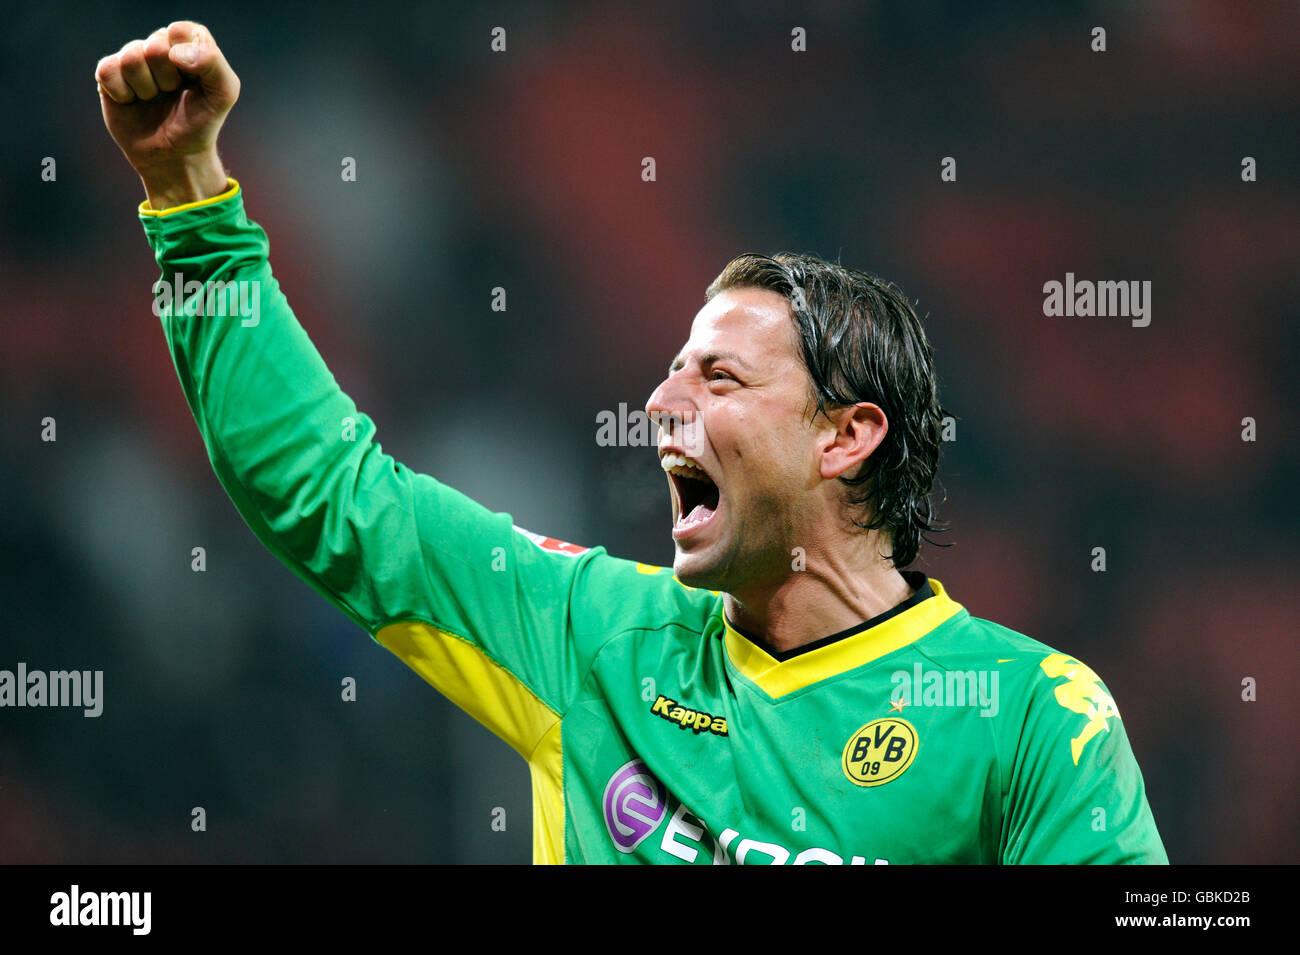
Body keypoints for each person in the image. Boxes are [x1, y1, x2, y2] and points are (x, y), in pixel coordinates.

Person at [96, 21, 1168, 864]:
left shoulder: (1029, 715)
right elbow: (323, 490)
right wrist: (188, 197)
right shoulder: (591, 638)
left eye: (719, 376)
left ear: (846, 437)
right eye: (671, 368)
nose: (660, 400)